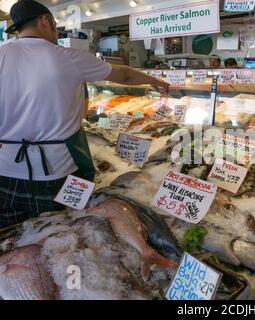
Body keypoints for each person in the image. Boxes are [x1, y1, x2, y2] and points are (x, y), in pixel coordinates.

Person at [0, 0, 170, 228]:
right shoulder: (66, 56)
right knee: (57, 233)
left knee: (11, 237)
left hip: (5, 169)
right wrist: (155, 81)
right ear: (45, 21)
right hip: (55, 170)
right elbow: (124, 76)